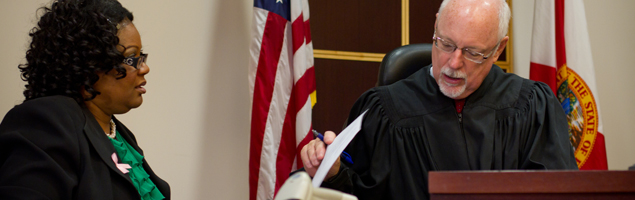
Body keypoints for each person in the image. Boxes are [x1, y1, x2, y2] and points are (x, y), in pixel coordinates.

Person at [300, 0, 578, 199]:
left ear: (498, 49)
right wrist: (332, 171)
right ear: (436, 24)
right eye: (445, 44)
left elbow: (561, 192)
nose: (454, 63)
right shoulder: (382, 110)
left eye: (471, 52)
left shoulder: (531, 107)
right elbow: (354, 193)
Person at [0, 0, 170, 199]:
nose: (144, 68)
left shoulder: (122, 136)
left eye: (142, 57)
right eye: (132, 57)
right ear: (90, 62)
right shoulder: (48, 122)